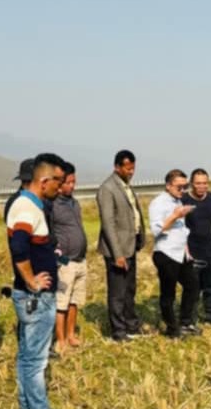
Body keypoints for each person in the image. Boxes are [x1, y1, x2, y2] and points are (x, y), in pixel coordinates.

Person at [6, 153, 66, 409]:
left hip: (33, 295)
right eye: (57, 180)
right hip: (36, 298)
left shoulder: (29, 205)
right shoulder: (27, 208)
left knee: (27, 356)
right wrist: (32, 280)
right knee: (36, 361)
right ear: (44, 181)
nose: (60, 186)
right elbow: (18, 247)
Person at [96, 149, 146, 342]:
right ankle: (118, 331)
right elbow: (108, 223)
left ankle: (131, 325)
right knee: (117, 293)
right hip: (117, 250)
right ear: (117, 167)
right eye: (127, 168)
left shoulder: (126, 186)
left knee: (130, 289)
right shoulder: (107, 188)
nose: (131, 171)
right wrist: (117, 254)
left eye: (133, 168)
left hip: (130, 246)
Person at [149, 170, 199, 338]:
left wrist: (187, 251)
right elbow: (157, 230)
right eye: (179, 186)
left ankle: (185, 322)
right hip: (166, 253)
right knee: (168, 293)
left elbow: (181, 230)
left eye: (185, 186)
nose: (183, 190)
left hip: (181, 253)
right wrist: (175, 216)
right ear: (168, 185)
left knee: (193, 286)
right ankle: (172, 328)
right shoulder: (158, 203)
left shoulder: (179, 201)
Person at [52, 162, 88, 353]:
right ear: (59, 183)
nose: (72, 186)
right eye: (68, 182)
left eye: (74, 182)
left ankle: (71, 334)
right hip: (65, 262)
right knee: (62, 303)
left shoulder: (74, 203)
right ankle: (60, 339)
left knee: (75, 301)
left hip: (81, 259)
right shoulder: (53, 205)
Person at [184, 168, 211, 327]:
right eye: (198, 183)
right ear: (192, 184)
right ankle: (190, 319)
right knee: (193, 288)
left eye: (205, 183)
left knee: (210, 287)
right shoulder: (184, 200)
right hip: (192, 251)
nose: (202, 186)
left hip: (210, 250)